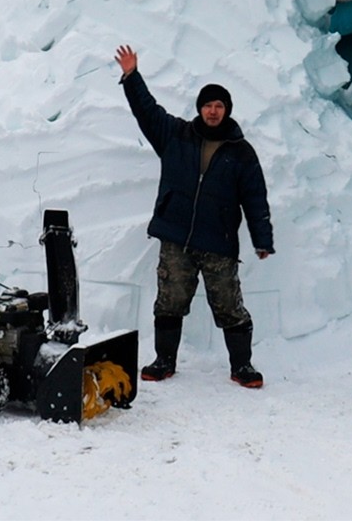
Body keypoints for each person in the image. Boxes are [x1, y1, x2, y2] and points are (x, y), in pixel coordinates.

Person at [115, 44, 274, 389]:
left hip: (218, 242)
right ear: (199, 108)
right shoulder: (175, 136)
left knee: (229, 305)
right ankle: (164, 361)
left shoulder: (241, 152)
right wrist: (131, 76)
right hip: (177, 237)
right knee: (169, 302)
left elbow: (255, 197)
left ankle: (242, 366)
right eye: (207, 105)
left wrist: (262, 238)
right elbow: (147, 111)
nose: (213, 111)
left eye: (219, 106)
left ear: (227, 110)